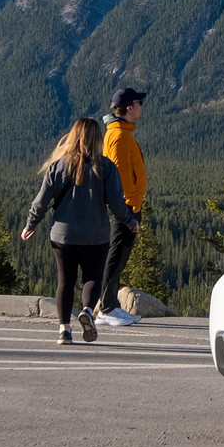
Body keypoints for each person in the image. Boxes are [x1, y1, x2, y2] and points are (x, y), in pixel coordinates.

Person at [22, 117, 139, 344]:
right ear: (97, 139)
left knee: (65, 281)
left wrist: (31, 224)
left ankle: (64, 330)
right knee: (93, 278)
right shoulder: (106, 167)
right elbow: (116, 203)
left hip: (62, 235)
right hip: (95, 235)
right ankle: (86, 310)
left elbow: (41, 202)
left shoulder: (57, 166)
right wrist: (129, 221)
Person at [95, 87, 149, 327]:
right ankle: (106, 308)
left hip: (126, 206)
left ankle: (112, 306)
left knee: (119, 257)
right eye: (139, 103)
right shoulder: (118, 136)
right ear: (129, 107)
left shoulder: (124, 132)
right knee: (115, 257)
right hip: (124, 208)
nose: (141, 107)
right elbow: (121, 177)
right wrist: (131, 211)